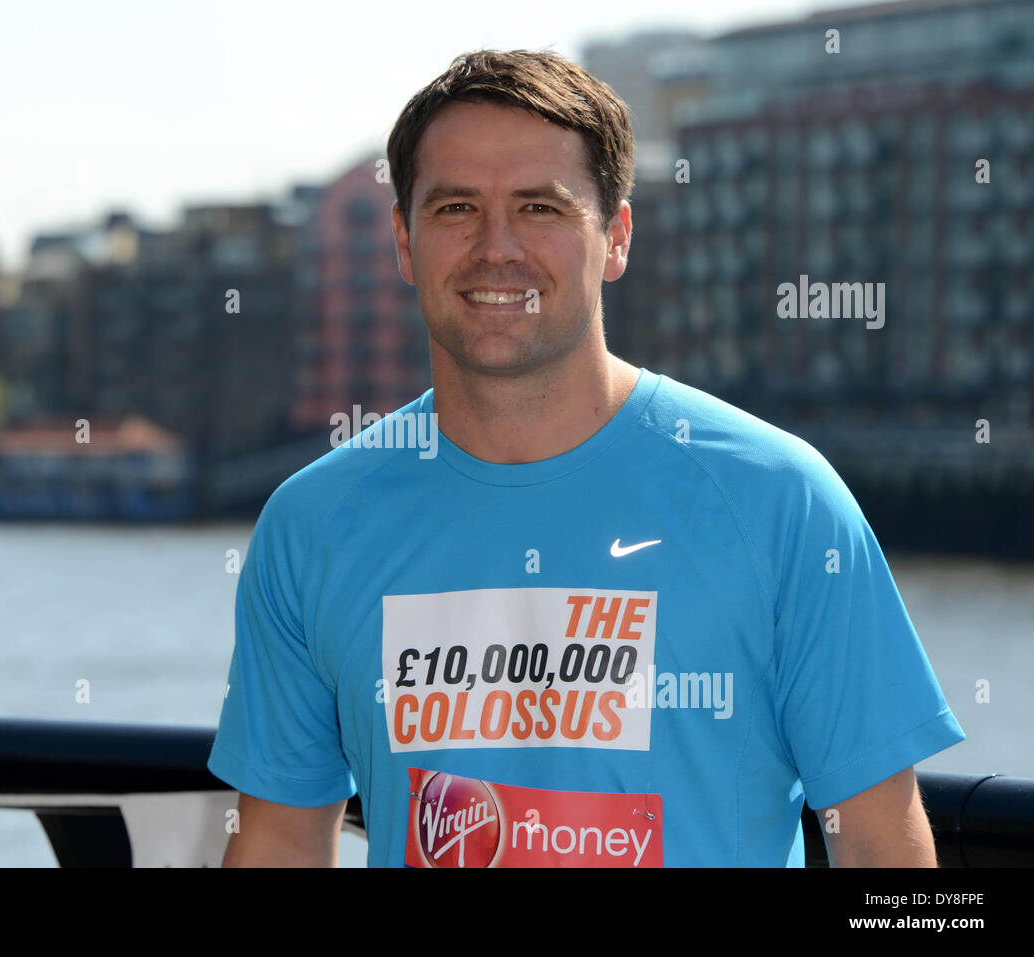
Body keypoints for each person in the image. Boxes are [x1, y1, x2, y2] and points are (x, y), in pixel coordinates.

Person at [207, 48, 965, 867]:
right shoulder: (313, 524)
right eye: (456, 207)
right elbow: (280, 840)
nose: (497, 248)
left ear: (616, 238)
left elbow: (883, 851)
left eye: (540, 207)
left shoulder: (780, 501)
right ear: (403, 240)